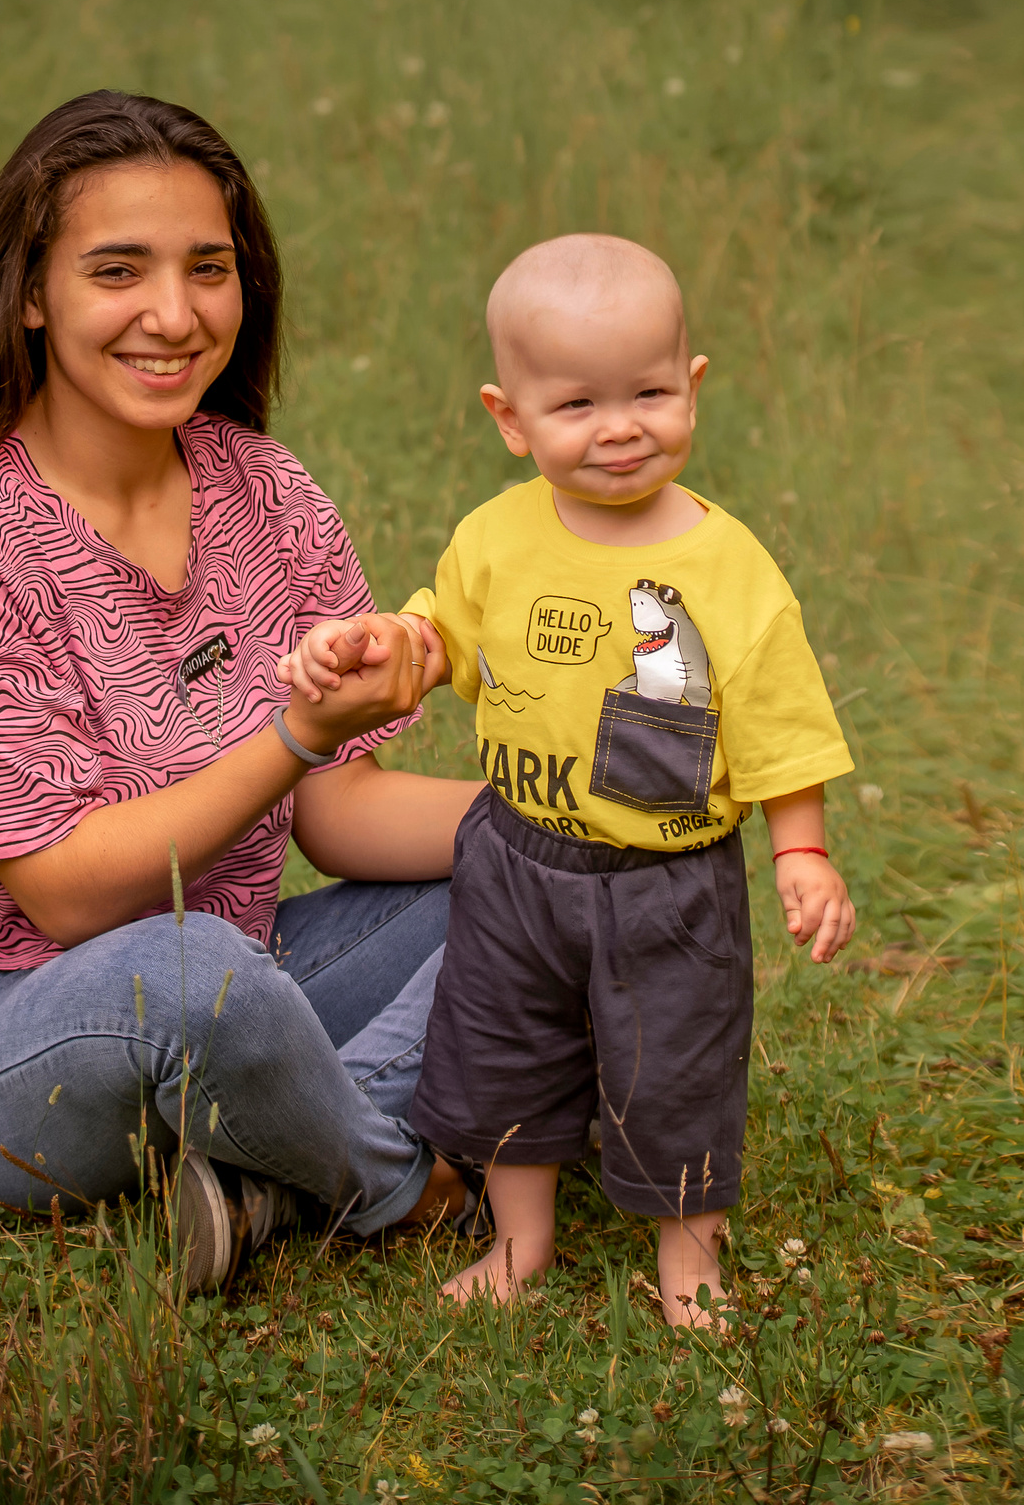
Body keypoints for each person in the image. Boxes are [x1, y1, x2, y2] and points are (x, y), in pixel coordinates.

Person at [0, 90, 478, 1290]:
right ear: (29, 293)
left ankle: (271, 1175)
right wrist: (289, 734)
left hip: (245, 968)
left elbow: (337, 812)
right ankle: (393, 1182)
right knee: (185, 976)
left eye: (207, 269)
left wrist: (558, 815)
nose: (173, 315)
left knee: (554, 878)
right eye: (119, 270)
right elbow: (66, 901)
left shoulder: (265, 492)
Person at [281, 234, 857, 1326]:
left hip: (666, 881)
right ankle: (519, 1244)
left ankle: (690, 1271)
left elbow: (783, 723)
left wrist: (802, 849)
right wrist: (380, 643)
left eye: (646, 392)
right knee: (505, 1052)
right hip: (515, 858)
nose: (620, 426)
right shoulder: (497, 537)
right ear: (511, 418)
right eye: (578, 404)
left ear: (690, 387)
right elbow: (439, 633)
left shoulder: (725, 567)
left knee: (673, 1066)